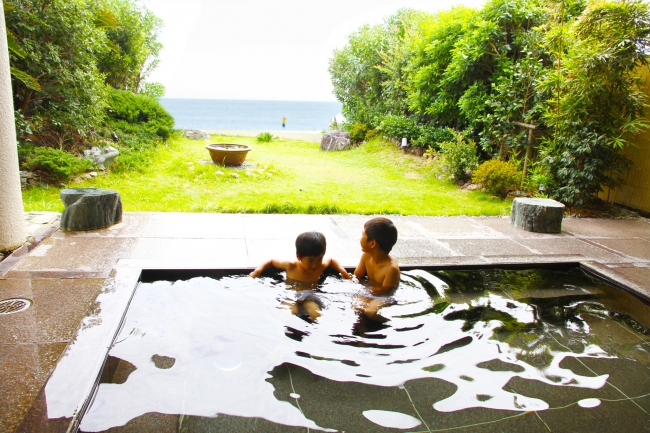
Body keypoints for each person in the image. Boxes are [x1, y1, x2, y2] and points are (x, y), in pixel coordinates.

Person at [250, 231, 351, 321]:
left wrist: (342, 271)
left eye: (319, 259)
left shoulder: (321, 266)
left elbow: (331, 260)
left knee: (316, 314)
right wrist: (257, 271)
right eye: (310, 261)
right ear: (298, 256)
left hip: (310, 296)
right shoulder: (291, 265)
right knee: (287, 314)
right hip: (291, 295)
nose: (315, 265)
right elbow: (271, 261)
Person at [353, 217, 400, 319]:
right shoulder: (366, 256)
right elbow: (357, 276)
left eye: (362, 235)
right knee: (356, 307)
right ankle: (362, 330)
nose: (360, 238)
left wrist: (367, 291)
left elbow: (386, 290)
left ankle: (387, 324)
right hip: (371, 290)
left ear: (373, 243)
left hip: (385, 296)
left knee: (370, 312)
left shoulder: (391, 269)